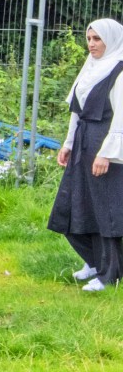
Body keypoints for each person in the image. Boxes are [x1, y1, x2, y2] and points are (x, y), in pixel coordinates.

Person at [48, 18, 123, 291]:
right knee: (75, 203)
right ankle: (92, 261)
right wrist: (68, 143)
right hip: (83, 143)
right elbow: (77, 111)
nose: (91, 44)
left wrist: (107, 154)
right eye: (89, 38)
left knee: (105, 211)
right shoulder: (90, 68)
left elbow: (121, 118)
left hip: (105, 146)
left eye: (97, 39)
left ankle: (109, 274)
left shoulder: (119, 71)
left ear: (111, 40)